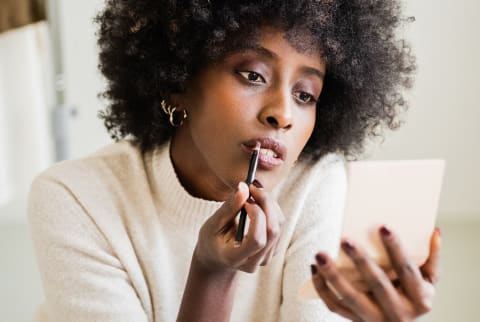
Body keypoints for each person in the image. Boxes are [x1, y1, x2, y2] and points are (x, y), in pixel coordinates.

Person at [28, 1, 441, 321]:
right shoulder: (76, 198)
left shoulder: (314, 184)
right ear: (178, 82)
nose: (282, 114)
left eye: (305, 95)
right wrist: (211, 273)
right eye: (253, 75)